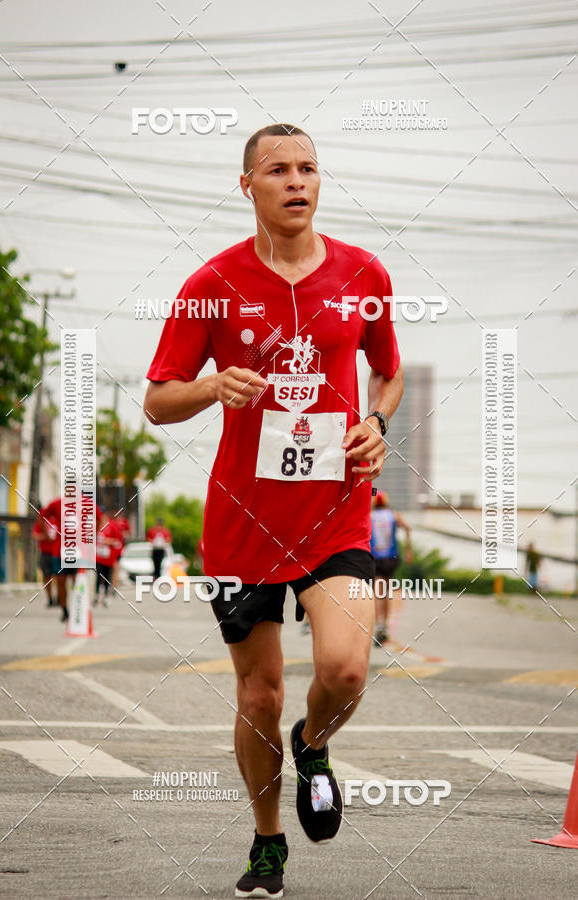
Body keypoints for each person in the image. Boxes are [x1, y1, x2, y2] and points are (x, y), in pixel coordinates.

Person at [143, 123, 403, 899]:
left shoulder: (364, 273)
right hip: (242, 525)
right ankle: (267, 841)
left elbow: (388, 372)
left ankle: (313, 743)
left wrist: (377, 421)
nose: (296, 181)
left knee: (345, 668)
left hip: (335, 514)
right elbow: (158, 399)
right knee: (259, 694)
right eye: (278, 169)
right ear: (247, 185)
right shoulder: (211, 284)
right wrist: (211, 386)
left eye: (308, 168)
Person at [370, 491, 412, 645]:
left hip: (375, 557)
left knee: (377, 593)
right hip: (391, 558)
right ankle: (385, 626)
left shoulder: (369, 516)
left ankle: (379, 624)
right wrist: (408, 550)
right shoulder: (393, 515)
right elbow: (407, 528)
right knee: (386, 593)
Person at [32, 505, 58, 607]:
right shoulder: (42, 522)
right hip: (45, 553)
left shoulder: (59, 521)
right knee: (46, 576)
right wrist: (46, 537)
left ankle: (59, 597)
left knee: (58, 576)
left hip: (57, 553)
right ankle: (50, 598)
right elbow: (35, 535)